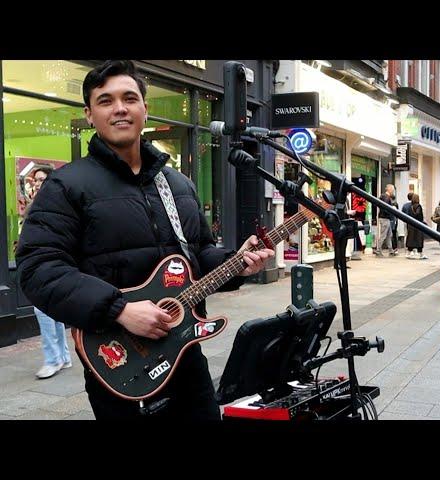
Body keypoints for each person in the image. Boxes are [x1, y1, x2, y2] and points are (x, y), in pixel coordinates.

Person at [16, 60, 275, 420]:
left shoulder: (177, 184)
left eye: (129, 98)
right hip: (122, 363)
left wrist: (238, 264)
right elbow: (37, 269)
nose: (120, 108)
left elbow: (198, 254)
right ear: (90, 115)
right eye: (105, 101)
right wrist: (119, 309)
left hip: (185, 354)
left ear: (144, 109)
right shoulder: (65, 186)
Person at [25, 166, 74, 379]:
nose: (36, 183)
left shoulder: (54, 202)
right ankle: (62, 357)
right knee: (50, 313)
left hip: (51, 264)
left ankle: (53, 359)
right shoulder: (37, 202)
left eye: (41, 179)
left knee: (42, 311)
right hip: (41, 263)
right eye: (35, 179)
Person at [374, 184, 397, 257]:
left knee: (389, 235)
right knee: (384, 235)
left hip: (384, 218)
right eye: (393, 190)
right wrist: (391, 210)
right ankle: (378, 250)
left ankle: (391, 250)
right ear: (389, 190)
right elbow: (385, 209)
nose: (393, 191)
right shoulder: (387, 198)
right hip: (385, 218)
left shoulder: (383, 197)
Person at [405, 193, 427, 259]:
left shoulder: (409, 206)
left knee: (411, 239)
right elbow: (418, 214)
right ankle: (421, 254)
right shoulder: (418, 206)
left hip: (411, 225)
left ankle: (408, 253)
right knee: (419, 240)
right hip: (418, 225)